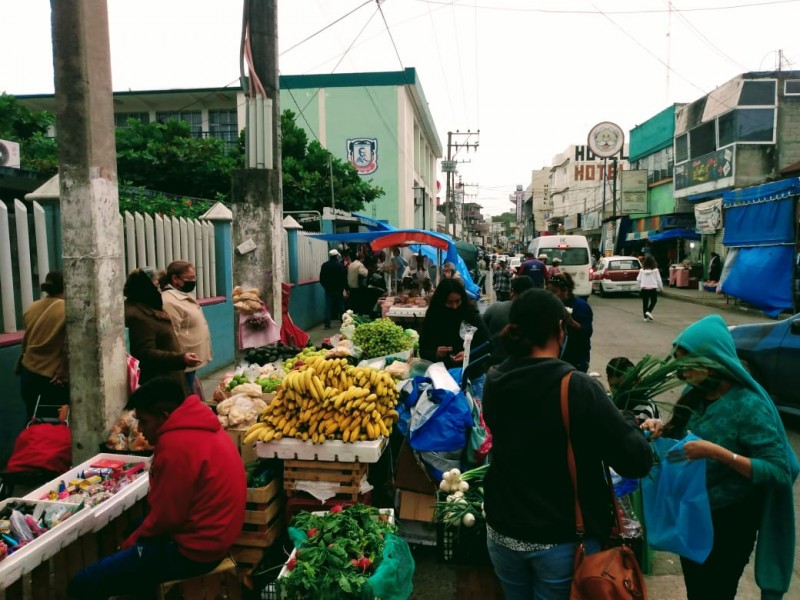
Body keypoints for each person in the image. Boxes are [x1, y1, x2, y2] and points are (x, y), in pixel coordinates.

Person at [482, 289, 653, 600]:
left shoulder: (495, 379)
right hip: (559, 541)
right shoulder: (577, 386)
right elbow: (635, 461)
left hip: (502, 532)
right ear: (560, 330)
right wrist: (627, 421)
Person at [642, 315, 798, 600]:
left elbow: (779, 470)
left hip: (731, 521)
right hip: (694, 512)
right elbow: (679, 434)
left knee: (716, 592)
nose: (684, 375)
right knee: (697, 591)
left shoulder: (748, 406)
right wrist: (659, 428)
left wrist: (720, 454)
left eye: (689, 366)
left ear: (713, 360)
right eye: (680, 368)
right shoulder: (695, 393)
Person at [67, 377, 247, 600]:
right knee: (133, 528)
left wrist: (132, 543)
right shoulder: (202, 423)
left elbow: (167, 518)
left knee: (83, 582)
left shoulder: (176, 446)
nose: (141, 430)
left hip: (195, 551)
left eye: (145, 421)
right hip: (217, 535)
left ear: (165, 417)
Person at [125, 268, 201, 389]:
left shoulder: (150, 307)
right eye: (156, 286)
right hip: (159, 382)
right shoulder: (139, 316)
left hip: (170, 375)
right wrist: (180, 358)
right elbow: (145, 353)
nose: (159, 290)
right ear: (144, 287)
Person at [17, 270, 69, 419]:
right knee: (54, 426)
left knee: (33, 422)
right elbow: (68, 346)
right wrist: (64, 371)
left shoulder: (32, 307)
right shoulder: (67, 310)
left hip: (28, 374)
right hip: (52, 379)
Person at [160, 261, 212, 392]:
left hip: (191, 361)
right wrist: (180, 358)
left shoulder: (183, 295)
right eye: (189, 278)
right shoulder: (169, 301)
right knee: (183, 395)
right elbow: (172, 335)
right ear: (175, 279)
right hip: (182, 362)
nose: (192, 281)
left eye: (194, 278)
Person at [419, 278, 490, 370]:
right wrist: (436, 354)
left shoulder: (470, 314)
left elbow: (487, 344)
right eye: (449, 302)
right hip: (442, 374)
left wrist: (468, 354)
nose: (455, 306)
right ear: (441, 301)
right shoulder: (433, 316)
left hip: (471, 373)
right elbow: (423, 350)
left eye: (457, 301)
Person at [547, 272, 593, 373]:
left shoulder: (581, 306)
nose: (550, 295)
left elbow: (587, 332)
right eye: (548, 292)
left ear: (565, 291)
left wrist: (570, 321)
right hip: (557, 357)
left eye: (554, 292)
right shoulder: (552, 305)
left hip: (577, 358)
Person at [483, 277, 535, 364]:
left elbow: (479, 333)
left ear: (512, 291)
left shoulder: (495, 308)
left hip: (494, 362)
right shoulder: (537, 315)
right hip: (524, 365)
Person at [605, 356, 660, 424]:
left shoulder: (645, 408)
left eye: (624, 387)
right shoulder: (605, 401)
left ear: (636, 383)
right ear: (608, 382)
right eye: (614, 386)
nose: (618, 392)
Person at [319, 249, 347, 329]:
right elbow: (343, 278)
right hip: (338, 289)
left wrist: (326, 286)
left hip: (328, 290)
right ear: (336, 256)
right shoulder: (340, 265)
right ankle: (343, 323)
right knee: (341, 306)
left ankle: (327, 324)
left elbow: (321, 279)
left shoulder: (324, 265)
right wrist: (345, 288)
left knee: (328, 307)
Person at [636, 255, 663, 322]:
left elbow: (638, 279)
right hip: (652, 288)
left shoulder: (641, 270)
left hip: (644, 288)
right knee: (654, 301)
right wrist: (661, 288)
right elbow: (659, 280)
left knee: (645, 303)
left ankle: (645, 317)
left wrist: (641, 283)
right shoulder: (655, 270)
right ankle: (649, 311)